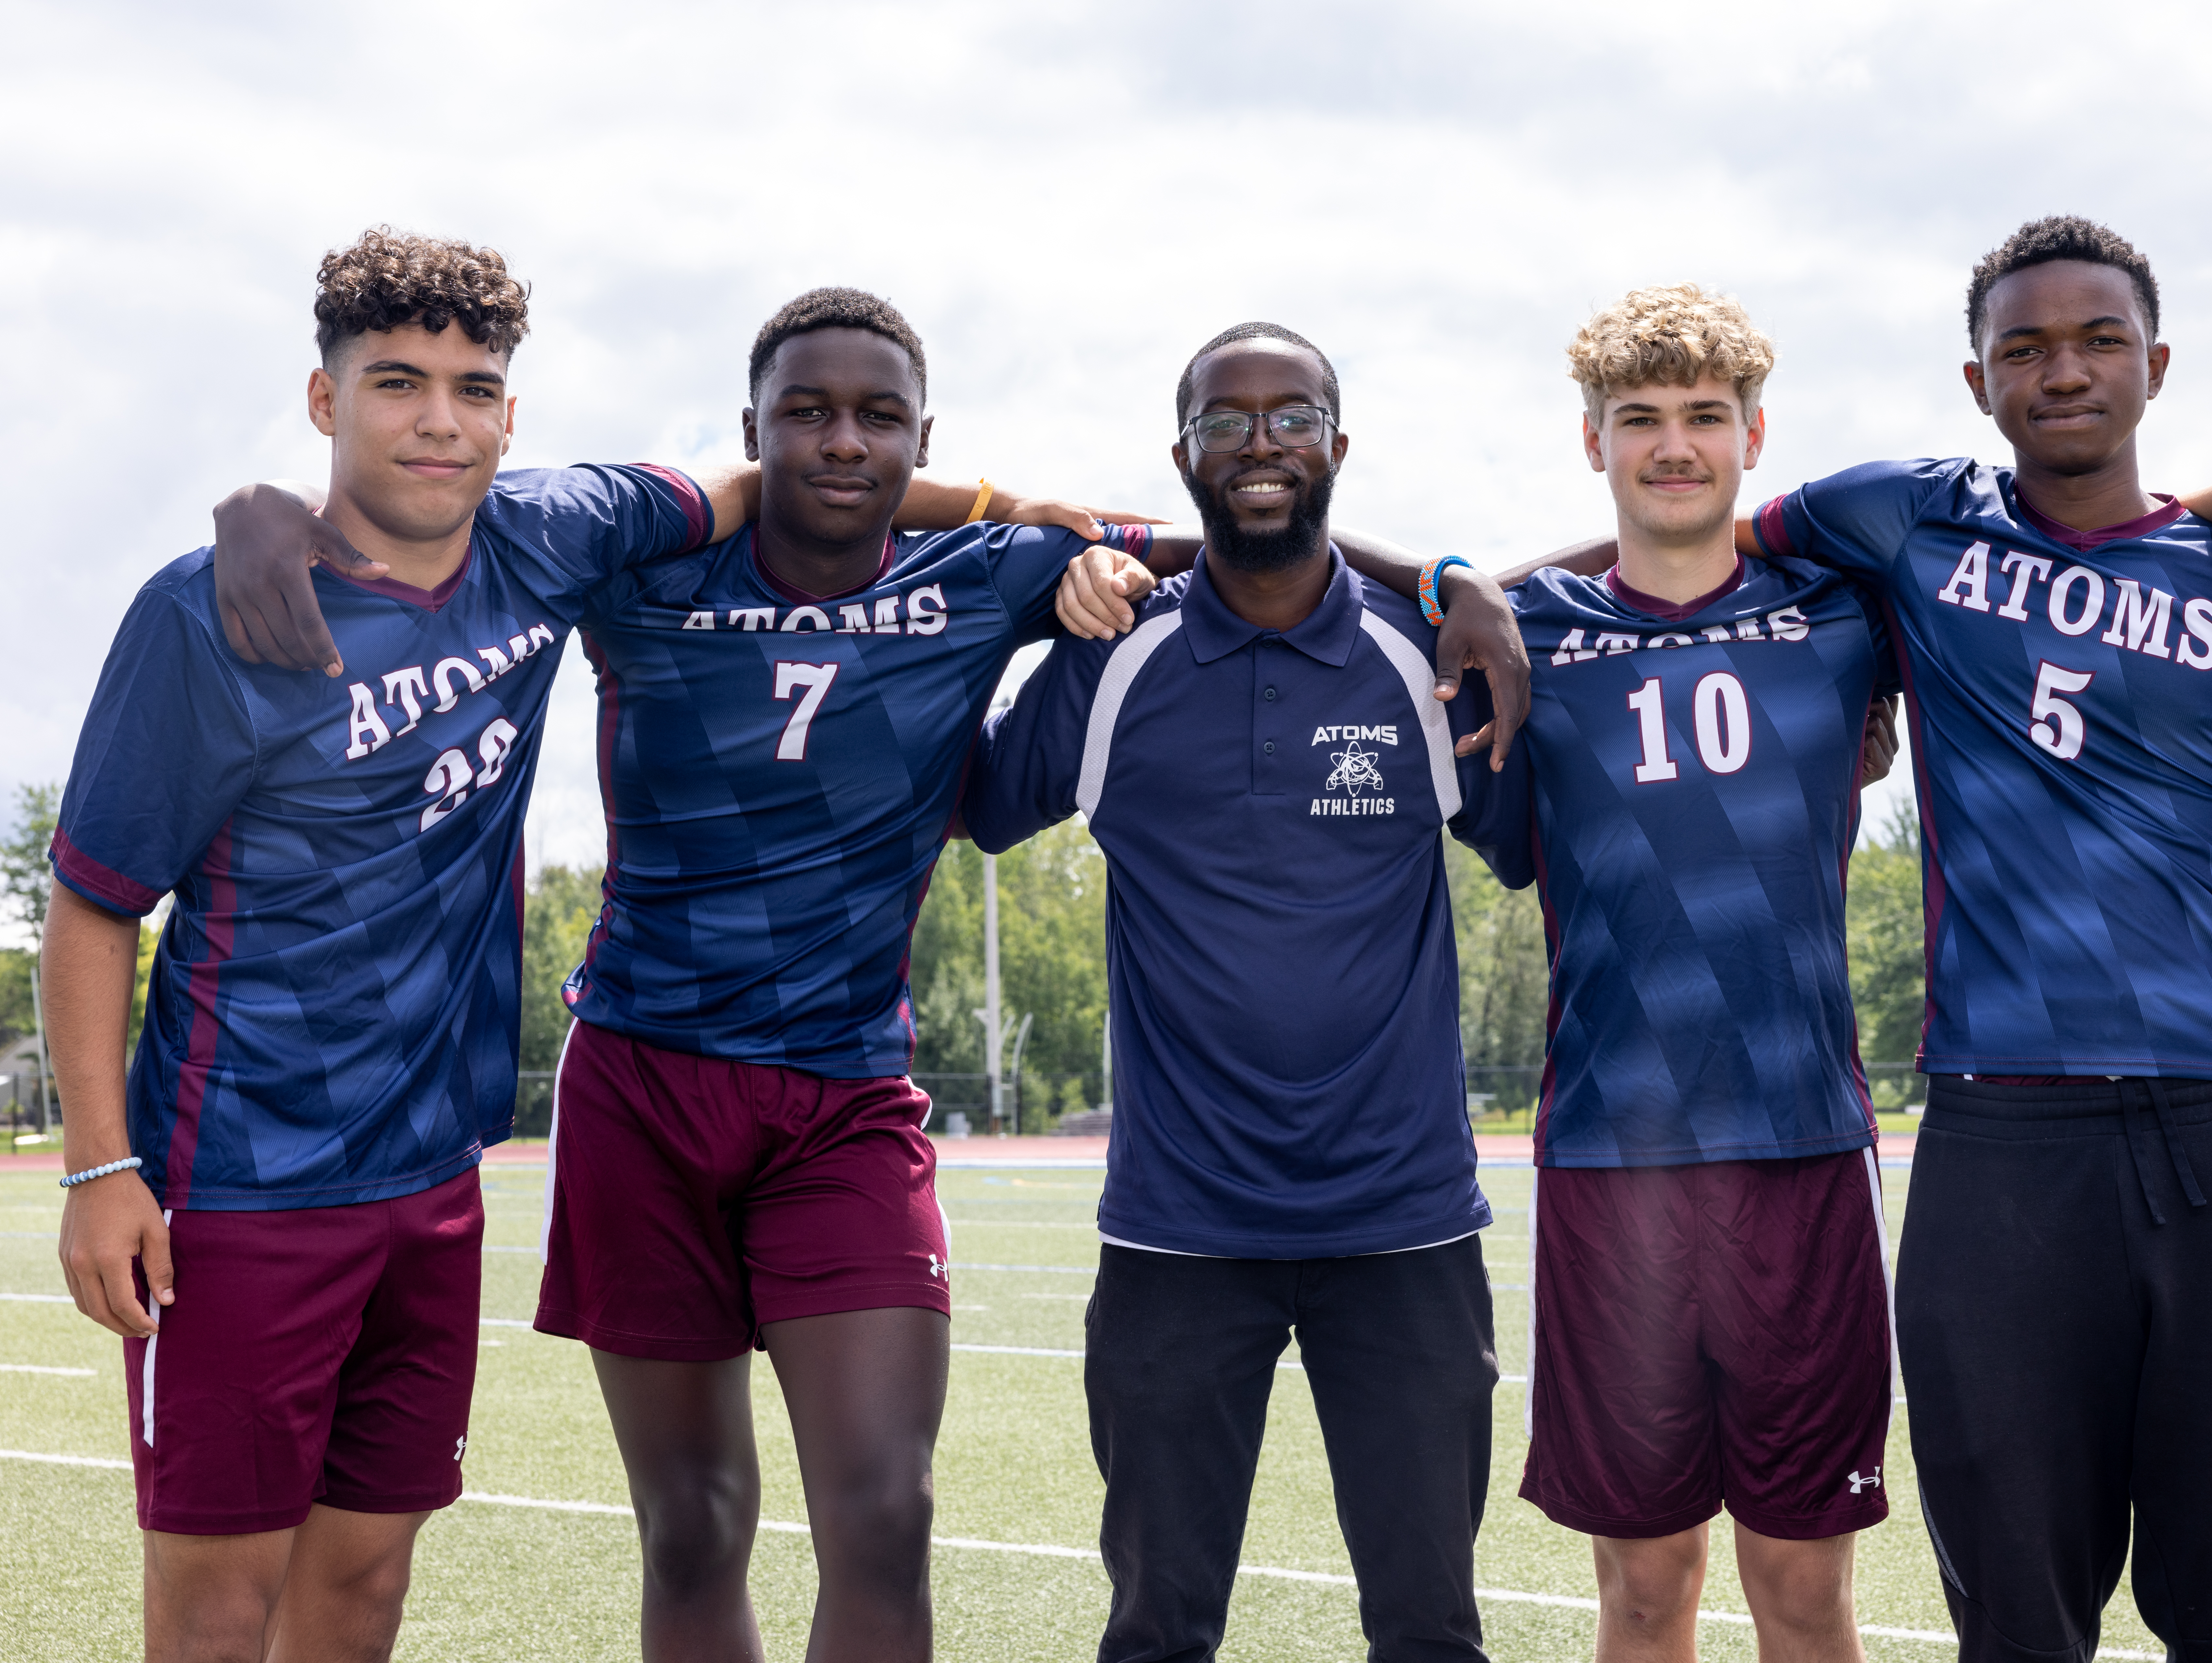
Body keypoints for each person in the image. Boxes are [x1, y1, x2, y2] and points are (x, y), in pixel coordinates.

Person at [210, 284, 1169, 1663]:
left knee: (886, 1514)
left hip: (843, 1097)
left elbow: (1236, 535)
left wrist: (1443, 587)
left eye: (880, 418)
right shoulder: (644, 569)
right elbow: (435, 503)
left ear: (925, 436)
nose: (845, 441)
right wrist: (261, 502)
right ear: (752, 430)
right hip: (643, 1091)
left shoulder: (992, 572)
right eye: (808, 414)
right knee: (695, 1523)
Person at [1534, 218, 2212, 1662]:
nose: (2065, 371)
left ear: (2157, 364)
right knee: (2015, 1608)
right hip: (2001, 1130)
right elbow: (1683, 538)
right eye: (2026, 349)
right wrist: (1483, 604)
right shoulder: (1909, 521)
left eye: (2101, 340)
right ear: (1976, 382)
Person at [46, 227, 752, 1663]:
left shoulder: (550, 534)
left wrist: (1025, 513)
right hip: (239, 1187)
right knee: (215, 1605)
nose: (439, 420)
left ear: (512, 412)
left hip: (432, 1179)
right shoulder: (210, 613)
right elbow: (94, 902)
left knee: (366, 1585)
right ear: (326, 404)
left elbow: (760, 484)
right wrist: (98, 1169)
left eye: (474, 387)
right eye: (396, 383)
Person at [965, 323, 1508, 1663]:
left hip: (1405, 1227)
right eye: (1227, 422)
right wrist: (1046, 601)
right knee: (1157, 1630)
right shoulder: (1114, 653)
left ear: (1337, 443)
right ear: (1183, 455)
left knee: (1432, 1629)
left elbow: (1555, 836)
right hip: (1177, 1233)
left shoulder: (1422, 657)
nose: (1261, 445)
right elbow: (972, 806)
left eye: (1292, 417)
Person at [1458, 285, 1902, 1663]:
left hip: (1803, 1152)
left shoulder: (1848, 619)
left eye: (1704, 418)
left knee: (1806, 1593)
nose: (1672, 447)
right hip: (1615, 1163)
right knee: (1645, 1593)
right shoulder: (1522, 639)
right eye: (1637, 420)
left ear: (1754, 435)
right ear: (1591, 441)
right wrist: (1485, 584)